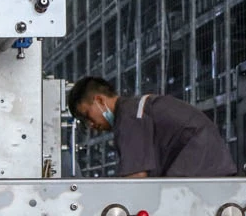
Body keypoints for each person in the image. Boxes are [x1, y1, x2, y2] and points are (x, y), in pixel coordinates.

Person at [68, 76, 236, 178]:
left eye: (86, 115)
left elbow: (136, 178)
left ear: (99, 101)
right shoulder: (139, 108)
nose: (90, 125)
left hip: (197, 175)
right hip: (213, 171)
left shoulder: (129, 116)